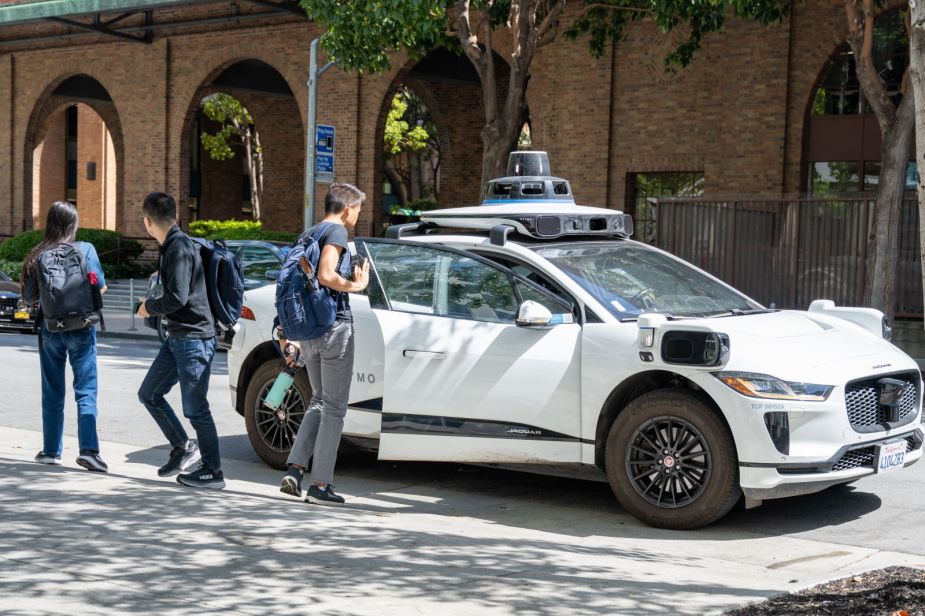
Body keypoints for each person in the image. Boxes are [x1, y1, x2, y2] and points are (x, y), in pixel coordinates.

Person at [280, 183, 370, 506]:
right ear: (347, 208)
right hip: (334, 328)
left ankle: (294, 469)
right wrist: (356, 285)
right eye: (358, 208)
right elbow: (326, 274)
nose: (359, 214)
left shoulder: (309, 234)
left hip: (309, 333)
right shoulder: (337, 234)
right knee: (334, 408)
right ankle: (320, 485)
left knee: (318, 400)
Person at [136, 192, 224, 490]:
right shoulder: (173, 244)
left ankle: (213, 471)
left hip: (194, 338)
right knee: (149, 393)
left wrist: (149, 306)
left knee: (196, 408)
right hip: (178, 337)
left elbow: (178, 297)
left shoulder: (179, 247)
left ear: (147, 221)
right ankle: (184, 447)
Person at [22, 201, 108, 472]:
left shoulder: (37, 255)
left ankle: (50, 451)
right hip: (82, 328)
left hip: (50, 330)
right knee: (86, 391)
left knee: (52, 391)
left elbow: (28, 298)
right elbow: (101, 288)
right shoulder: (86, 250)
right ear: (73, 224)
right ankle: (89, 451)